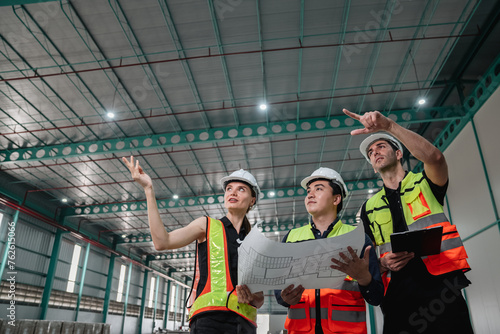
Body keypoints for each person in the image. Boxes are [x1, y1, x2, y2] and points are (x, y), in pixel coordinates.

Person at [343, 108, 473, 333]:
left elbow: (436, 158)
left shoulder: (425, 183)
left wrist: (389, 127)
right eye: (371, 152)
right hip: (397, 297)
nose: (375, 152)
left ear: (399, 153)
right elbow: (367, 256)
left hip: (442, 289)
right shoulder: (368, 208)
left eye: (381, 146)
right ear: (373, 166)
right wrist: (383, 264)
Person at [123, 156, 264, 334]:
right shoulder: (206, 226)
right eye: (229, 189)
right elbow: (161, 242)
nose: (233, 193)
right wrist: (148, 189)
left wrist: (252, 296)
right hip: (209, 322)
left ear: (252, 200)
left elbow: (260, 299)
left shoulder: (255, 243)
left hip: (245, 325)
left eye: (241, 189)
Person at [275, 167, 384, 334]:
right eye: (308, 191)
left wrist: (364, 278)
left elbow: (376, 297)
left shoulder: (358, 238)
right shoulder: (291, 238)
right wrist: (284, 297)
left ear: (336, 199)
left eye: (318, 188)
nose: (310, 194)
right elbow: (278, 292)